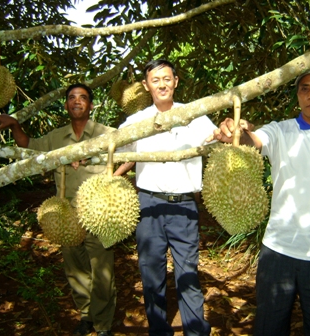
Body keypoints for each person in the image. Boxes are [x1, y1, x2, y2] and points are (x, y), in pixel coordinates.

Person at [208, 64, 310, 336]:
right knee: (269, 327)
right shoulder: (281, 132)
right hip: (278, 251)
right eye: (304, 89)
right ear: (297, 96)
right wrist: (236, 131)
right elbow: (254, 141)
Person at [0, 84, 116, 336]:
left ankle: (103, 325)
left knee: (102, 270)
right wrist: (15, 125)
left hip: (100, 211)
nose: (76, 101)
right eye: (71, 98)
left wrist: (112, 175)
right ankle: (85, 316)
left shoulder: (107, 134)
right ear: (67, 105)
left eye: (83, 98)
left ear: (91, 105)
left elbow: (130, 155)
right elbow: (29, 146)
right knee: (75, 269)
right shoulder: (56, 137)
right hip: (65, 213)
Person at [114, 59, 214, 336]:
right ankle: (159, 330)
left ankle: (196, 331)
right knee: (151, 273)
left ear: (176, 81)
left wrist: (236, 127)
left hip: (184, 205)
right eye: (155, 80)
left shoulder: (195, 115)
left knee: (188, 273)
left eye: (167, 78)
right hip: (148, 205)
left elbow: (220, 137)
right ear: (147, 86)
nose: (162, 84)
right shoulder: (136, 121)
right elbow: (122, 153)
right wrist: (112, 174)